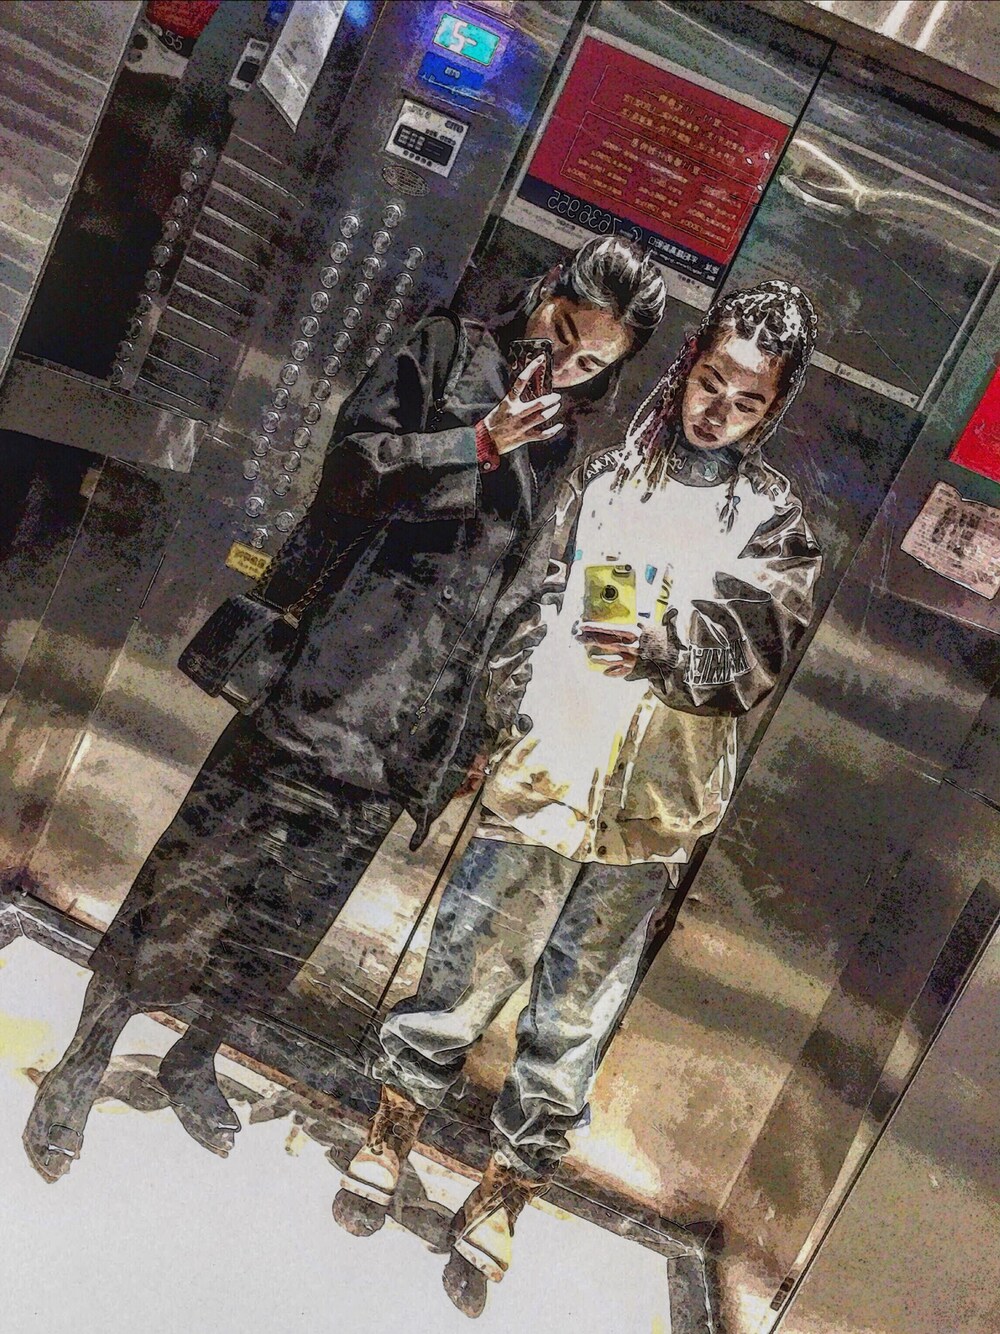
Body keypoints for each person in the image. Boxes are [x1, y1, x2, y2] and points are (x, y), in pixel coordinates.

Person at [22, 238, 666, 1183]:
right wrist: (478, 442)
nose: (565, 365)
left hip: (410, 728)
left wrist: (477, 732)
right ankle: (83, 1061)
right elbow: (349, 472)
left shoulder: (574, 447)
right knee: (189, 884)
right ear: (545, 291)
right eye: (562, 331)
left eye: (591, 361)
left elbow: (525, 592)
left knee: (286, 925)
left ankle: (196, 1056)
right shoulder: (444, 349)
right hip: (316, 687)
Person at [336, 281, 823, 1316]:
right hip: (546, 774)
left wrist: (667, 647)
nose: (719, 412)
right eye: (710, 383)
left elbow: (756, 656)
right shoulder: (608, 479)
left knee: (575, 1014)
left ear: (774, 407)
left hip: (650, 811)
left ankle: (506, 1189)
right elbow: (532, 601)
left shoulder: (776, 523)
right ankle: (393, 1125)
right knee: (462, 964)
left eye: (746, 401)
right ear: (687, 364)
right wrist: (497, 721)